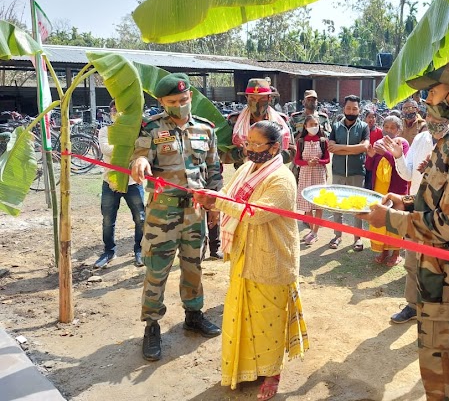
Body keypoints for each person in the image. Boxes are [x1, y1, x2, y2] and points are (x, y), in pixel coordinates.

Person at [359, 55, 449, 401]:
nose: (426, 102)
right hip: (436, 269)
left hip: (446, 271)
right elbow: (439, 200)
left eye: (431, 93)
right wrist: (403, 202)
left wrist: (388, 220)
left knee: (440, 366)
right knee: (448, 353)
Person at [193, 121, 309, 401]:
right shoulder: (246, 169)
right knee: (244, 317)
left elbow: (256, 213)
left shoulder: (282, 178)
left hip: (272, 259)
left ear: (275, 147)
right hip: (244, 255)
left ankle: (272, 372)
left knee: (270, 319)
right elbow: (229, 196)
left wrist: (216, 202)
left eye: (258, 145)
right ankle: (248, 366)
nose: (251, 150)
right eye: (249, 143)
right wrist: (211, 198)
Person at [130, 73, 223, 362]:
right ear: (161, 101)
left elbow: (214, 169)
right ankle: (152, 326)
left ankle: (193, 315)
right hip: (163, 211)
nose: (179, 105)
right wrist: (141, 161)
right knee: (156, 269)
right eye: (172, 102)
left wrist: (215, 205)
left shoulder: (206, 129)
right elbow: (139, 157)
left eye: (183, 100)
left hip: (195, 210)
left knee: (193, 265)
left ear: (190, 97)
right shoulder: (152, 128)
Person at [386, 126, 434, 323]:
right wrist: (398, 156)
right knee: (412, 261)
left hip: (439, 212)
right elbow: (408, 175)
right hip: (416, 206)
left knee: (434, 265)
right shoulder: (421, 137)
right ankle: (413, 305)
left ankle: (432, 310)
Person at [94, 100, 146, 269]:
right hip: (111, 181)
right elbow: (107, 150)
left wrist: (128, 146)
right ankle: (109, 251)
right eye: (114, 110)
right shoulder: (105, 131)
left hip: (133, 182)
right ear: (110, 113)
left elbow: (141, 150)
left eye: (121, 110)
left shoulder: (137, 131)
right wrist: (128, 146)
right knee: (108, 219)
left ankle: (139, 250)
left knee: (140, 218)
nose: (117, 113)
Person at [327, 95, 370, 251]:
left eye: (354, 108)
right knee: (336, 205)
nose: (351, 111)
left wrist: (341, 148)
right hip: (338, 172)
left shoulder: (364, 127)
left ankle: (357, 238)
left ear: (359, 110)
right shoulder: (336, 126)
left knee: (357, 206)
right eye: (348, 108)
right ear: (343, 108)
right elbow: (331, 147)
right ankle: (337, 236)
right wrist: (353, 148)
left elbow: (364, 147)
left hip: (356, 172)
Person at [366, 115, 409, 267]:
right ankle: (383, 250)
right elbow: (370, 167)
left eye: (393, 128)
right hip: (379, 188)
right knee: (381, 219)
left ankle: (396, 253)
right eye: (386, 127)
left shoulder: (402, 144)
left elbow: (401, 168)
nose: (389, 131)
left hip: (396, 189)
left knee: (394, 220)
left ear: (399, 130)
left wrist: (385, 153)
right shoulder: (378, 143)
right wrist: (371, 156)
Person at [223, 78, 294, 166]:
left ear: (269, 98)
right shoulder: (234, 121)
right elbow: (222, 155)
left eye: (262, 99)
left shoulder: (281, 121)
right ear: (246, 97)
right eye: (252, 98)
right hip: (245, 174)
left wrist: (270, 155)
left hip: (273, 173)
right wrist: (242, 153)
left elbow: (292, 152)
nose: (256, 103)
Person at [295, 114, 330, 245]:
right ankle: (312, 231)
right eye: (311, 125)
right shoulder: (301, 141)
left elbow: (327, 159)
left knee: (319, 205)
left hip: (319, 174)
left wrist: (319, 161)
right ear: (305, 126)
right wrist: (307, 163)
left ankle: (315, 232)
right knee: (307, 206)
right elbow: (296, 160)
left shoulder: (323, 141)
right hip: (305, 174)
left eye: (316, 124)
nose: (314, 127)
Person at [363, 106, 383, 190]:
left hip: (374, 162)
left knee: (371, 184)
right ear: (365, 118)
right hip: (363, 161)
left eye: (373, 117)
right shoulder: (362, 130)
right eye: (369, 117)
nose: (371, 119)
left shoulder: (379, 132)